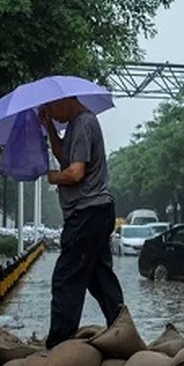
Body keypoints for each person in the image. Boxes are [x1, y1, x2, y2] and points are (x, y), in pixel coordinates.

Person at [38, 96, 124, 348]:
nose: (53, 114)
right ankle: (121, 329)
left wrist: (52, 177)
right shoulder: (76, 124)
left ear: (66, 100)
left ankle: (59, 345)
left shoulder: (84, 122)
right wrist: (50, 127)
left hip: (87, 212)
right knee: (100, 278)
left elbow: (75, 172)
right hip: (96, 212)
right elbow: (63, 154)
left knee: (66, 279)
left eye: (52, 107)